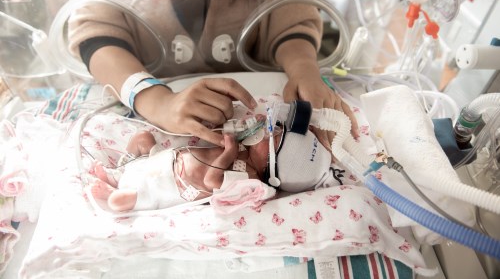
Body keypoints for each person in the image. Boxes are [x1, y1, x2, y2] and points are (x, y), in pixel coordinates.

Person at [68, 0, 358, 150]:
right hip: (148, 90)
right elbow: (97, 38)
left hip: (249, 103)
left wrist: (304, 70)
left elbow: (290, 19)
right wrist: (156, 100)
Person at [90, 114, 350, 212]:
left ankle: (116, 194)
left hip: (173, 185)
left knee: (125, 199)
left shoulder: (248, 177)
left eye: (272, 137)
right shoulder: (245, 148)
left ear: (269, 167)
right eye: (276, 129)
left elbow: (211, 182)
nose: (268, 132)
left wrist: (228, 153)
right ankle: (119, 172)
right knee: (142, 139)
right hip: (169, 159)